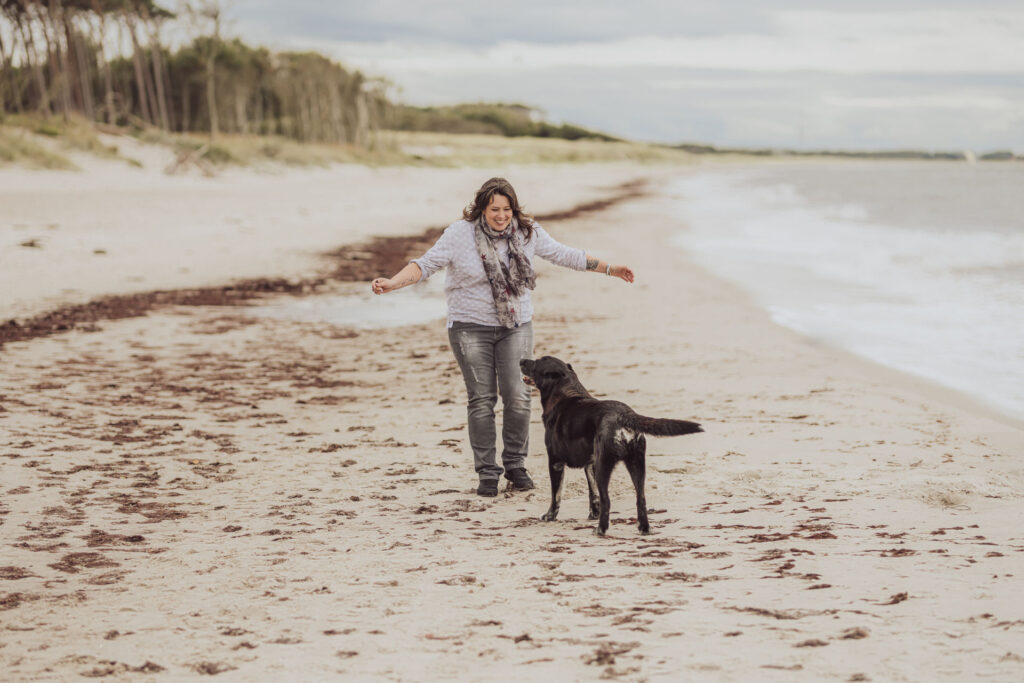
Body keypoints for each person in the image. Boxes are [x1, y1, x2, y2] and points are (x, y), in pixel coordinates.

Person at [371, 177, 634, 497]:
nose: (501, 215)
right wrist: (392, 283)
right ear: (482, 207)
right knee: (481, 399)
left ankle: (515, 464)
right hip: (469, 327)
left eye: (507, 209)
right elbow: (424, 265)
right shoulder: (459, 234)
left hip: (516, 326)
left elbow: (566, 255)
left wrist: (611, 268)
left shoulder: (528, 233)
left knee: (518, 395)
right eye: (494, 209)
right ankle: (487, 472)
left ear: (514, 209)